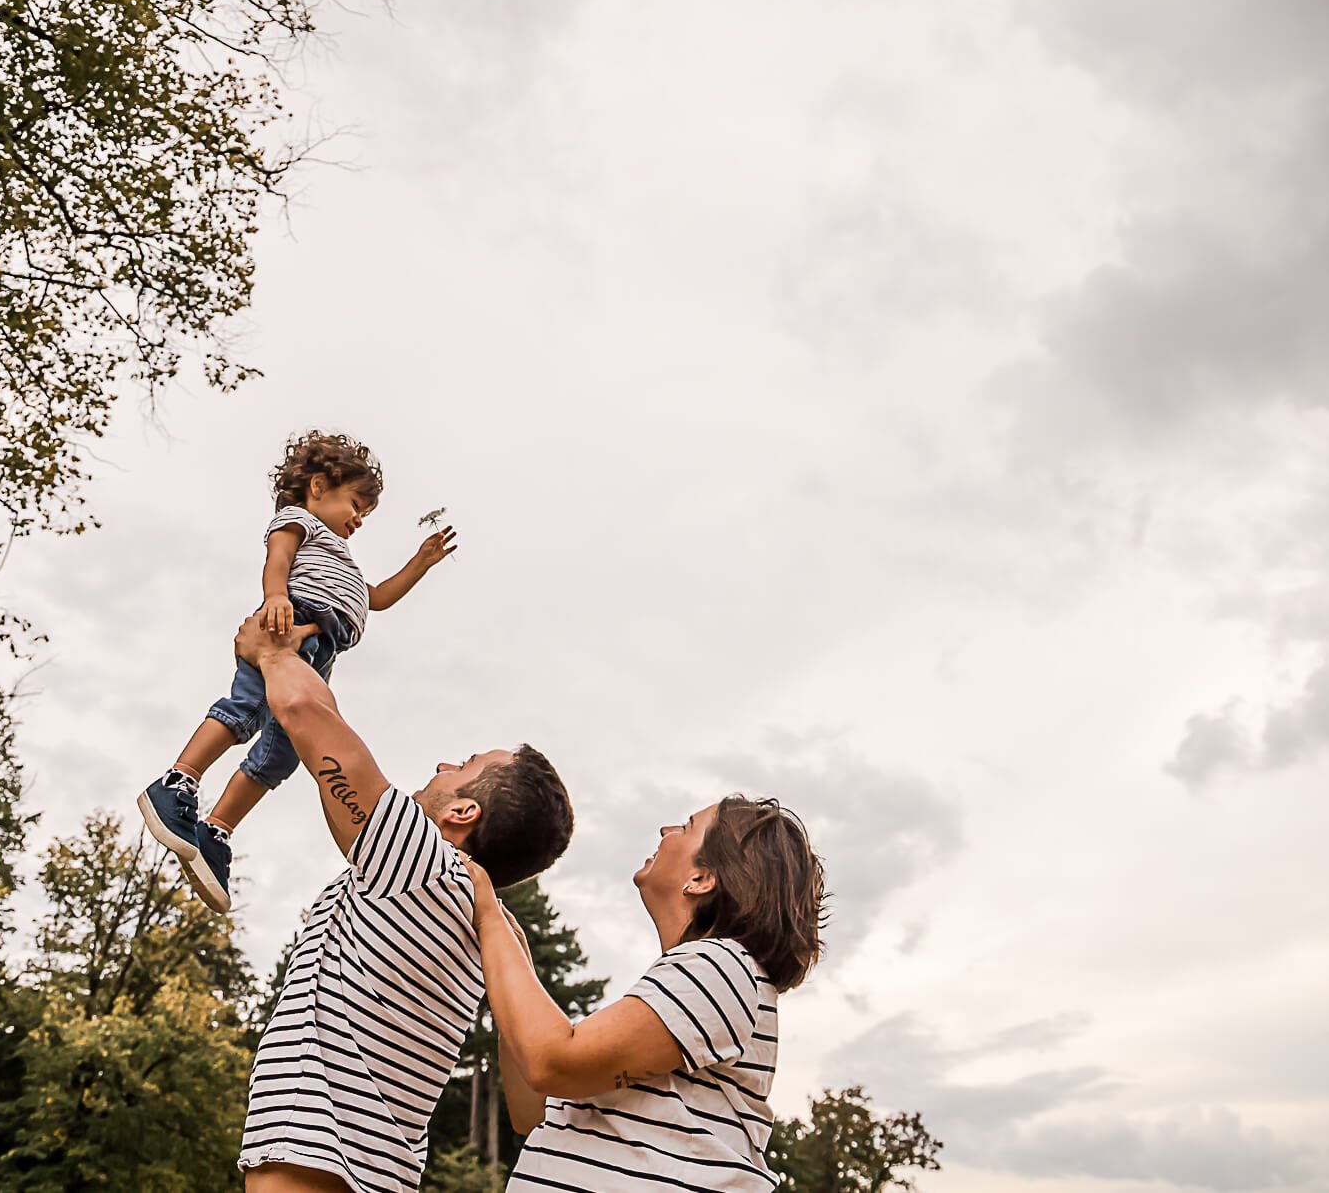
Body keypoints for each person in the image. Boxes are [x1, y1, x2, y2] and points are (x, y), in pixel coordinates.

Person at [230, 612, 574, 1193]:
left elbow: (309, 719)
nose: (443, 765)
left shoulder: (429, 866)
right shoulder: (491, 924)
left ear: (461, 815)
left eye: (465, 766)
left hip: (317, 1163)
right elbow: (530, 1110)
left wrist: (271, 653)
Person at [138, 430, 457, 912]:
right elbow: (278, 561)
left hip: (324, 648)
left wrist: (421, 562)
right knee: (245, 710)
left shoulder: (342, 556)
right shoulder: (296, 522)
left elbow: (379, 597)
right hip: (290, 622)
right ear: (317, 486)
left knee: (285, 750)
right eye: (355, 504)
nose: (358, 520)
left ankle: (216, 832)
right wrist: (276, 598)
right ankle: (178, 780)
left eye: (364, 515)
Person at [464, 796, 826, 1192]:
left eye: (685, 828)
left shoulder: (721, 966)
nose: (665, 831)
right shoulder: (696, 985)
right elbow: (529, 1109)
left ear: (701, 879)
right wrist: (512, 968)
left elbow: (551, 1063)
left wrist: (488, 914)